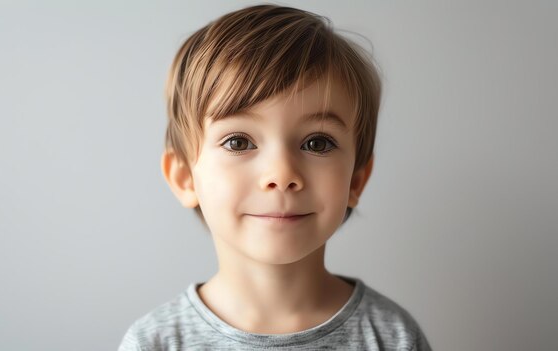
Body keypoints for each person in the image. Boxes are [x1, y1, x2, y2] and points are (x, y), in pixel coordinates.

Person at [119, 4, 431, 350]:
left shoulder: (393, 337)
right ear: (185, 178)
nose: (282, 174)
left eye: (317, 142)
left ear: (356, 180)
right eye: (238, 141)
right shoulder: (155, 343)